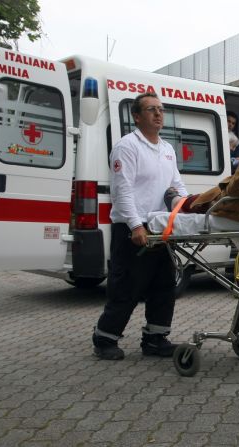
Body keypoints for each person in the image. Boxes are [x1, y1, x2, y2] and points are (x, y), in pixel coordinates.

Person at [92, 92, 188, 360]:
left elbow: (177, 186)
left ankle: (156, 339)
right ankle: (104, 338)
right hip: (133, 228)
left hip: (160, 227)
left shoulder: (167, 149)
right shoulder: (127, 147)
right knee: (127, 287)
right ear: (137, 117)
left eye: (160, 109)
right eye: (151, 110)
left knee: (164, 284)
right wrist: (136, 225)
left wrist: (187, 209)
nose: (158, 114)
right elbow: (122, 191)